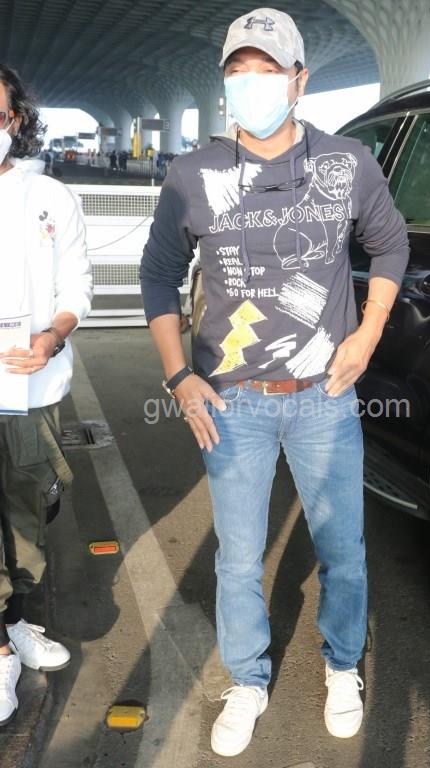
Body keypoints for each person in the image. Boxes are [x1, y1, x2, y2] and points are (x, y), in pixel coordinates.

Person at [140, 7, 409, 757]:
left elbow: (390, 245)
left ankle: (342, 665)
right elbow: (158, 276)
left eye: (267, 71)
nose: (251, 85)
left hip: (325, 396)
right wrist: (177, 375)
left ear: (299, 81)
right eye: (238, 72)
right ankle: (248, 679)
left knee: (342, 547)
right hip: (232, 402)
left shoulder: (345, 163)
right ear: (224, 83)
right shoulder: (194, 175)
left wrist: (367, 333)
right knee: (237, 556)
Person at [0, 64, 93, 727]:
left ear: (15, 121)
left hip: (30, 388)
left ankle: (14, 618)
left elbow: (76, 286)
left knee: (28, 515)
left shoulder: (50, 198)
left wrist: (53, 337)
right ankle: (1, 650)